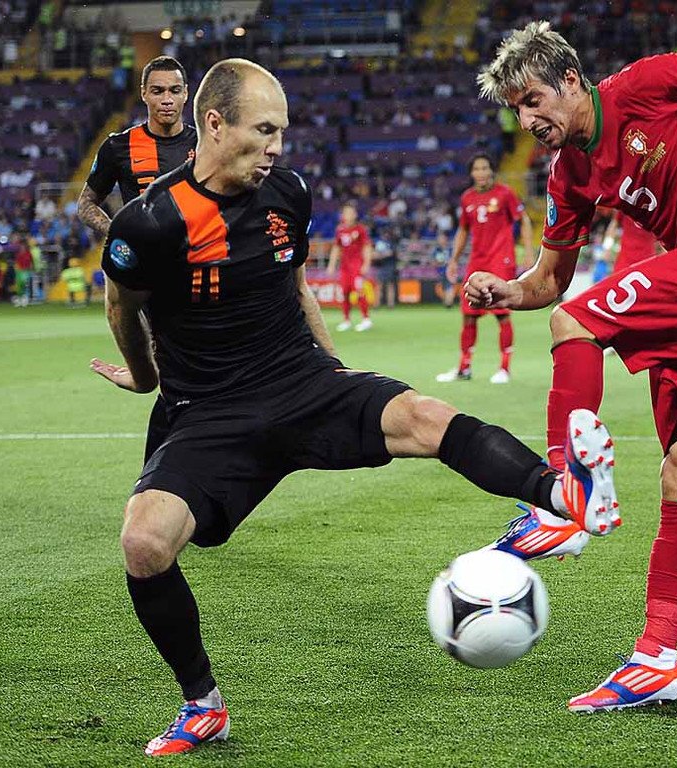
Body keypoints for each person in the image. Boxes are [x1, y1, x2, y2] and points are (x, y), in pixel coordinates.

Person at [90, 58, 615, 757]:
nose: (277, 146)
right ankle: (202, 704)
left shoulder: (287, 192)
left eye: (282, 131)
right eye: (264, 129)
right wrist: (143, 377)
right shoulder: (150, 221)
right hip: (210, 412)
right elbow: (120, 305)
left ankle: (563, 495)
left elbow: (297, 285)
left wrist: (334, 370)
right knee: (144, 543)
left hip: (302, 382)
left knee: (425, 416)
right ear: (214, 124)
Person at [467, 23, 677, 711]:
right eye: (517, 111)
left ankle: (562, 495)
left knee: (576, 324)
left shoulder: (639, 87)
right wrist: (506, 291)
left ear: (569, 80)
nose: (528, 121)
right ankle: (657, 660)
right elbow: (548, 282)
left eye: (534, 101)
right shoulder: (567, 175)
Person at [77, 55, 197, 467]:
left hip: (204, 269)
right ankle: (164, 476)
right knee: (180, 375)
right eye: (158, 90)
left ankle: (164, 475)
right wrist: (120, 233)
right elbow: (86, 203)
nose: (167, 99)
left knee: (187, 376)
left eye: (174, 90)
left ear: (186, 94)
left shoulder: (205, 145)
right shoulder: (118, 146)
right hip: (153, 282)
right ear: (144, 93)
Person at [436, 154, 532, 385]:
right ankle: (464, 367)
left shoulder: (505, 193)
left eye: (485, 168)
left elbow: (524, 220)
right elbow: (463, 230)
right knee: (468, 315)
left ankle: (504, 368)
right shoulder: (467, 198)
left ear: (492, 171)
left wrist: (529, 252)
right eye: (476, 169)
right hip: (476, 262)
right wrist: (453, 259)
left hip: (501, 260)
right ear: (471, 173)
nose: (481, 173)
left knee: (502, 313)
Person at [324, 202, 374, 331]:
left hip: (357, 266)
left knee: (359, 290)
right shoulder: (340, 230)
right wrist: (331, 265)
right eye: (346, 213)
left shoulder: (360, 229)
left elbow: (367, 247)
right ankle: (346, 320)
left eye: (350, 213)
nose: (348, 215)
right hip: (345, 267)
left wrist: (366, 263)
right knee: (345, 292)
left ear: (355, 214)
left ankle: (366, 319)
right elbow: (336, 248)